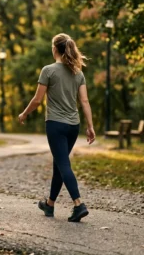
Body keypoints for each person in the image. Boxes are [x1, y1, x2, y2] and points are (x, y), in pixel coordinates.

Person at [18, 33, 95, 222]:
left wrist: (24, 113)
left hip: (56, 125)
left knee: (63, 164)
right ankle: (50, 204)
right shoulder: (78, 73)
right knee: (59, 164)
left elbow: (37, 100)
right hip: (73, 126)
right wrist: (90, 126)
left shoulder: (48, 70)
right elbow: (84, 101)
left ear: (55, 49)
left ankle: (79, 205)